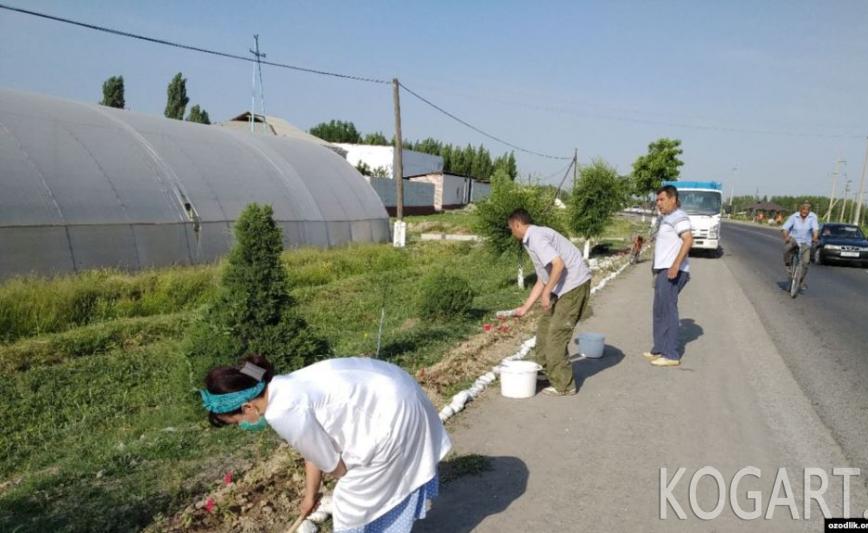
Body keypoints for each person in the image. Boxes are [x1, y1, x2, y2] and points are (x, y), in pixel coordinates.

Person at [199, 354, 451, 532]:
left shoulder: (281, 411)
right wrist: (311, 495)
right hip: (400, 390)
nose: (243, 426)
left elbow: (335, 466)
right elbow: (313, 450)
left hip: (393, 416)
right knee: (378, 489)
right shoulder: (281, 384)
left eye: (237, 421)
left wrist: (324, 484)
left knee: (349, 505)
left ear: (247, 407)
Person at [508, 208, 592, 396]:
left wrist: (547, 293)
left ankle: (564, 385)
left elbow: (558, 264)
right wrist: (525, 308)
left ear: (517, 224)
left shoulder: (536, 236)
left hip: (574, 286)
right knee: (544, 330)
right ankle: (549, 374)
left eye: (510, 228)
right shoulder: (532, 239)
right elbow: (543, 278)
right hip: (561, 287)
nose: (511, 232)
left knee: (556, 334)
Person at [643, 185, 693, 368]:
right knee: (659, 310)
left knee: (668, 310)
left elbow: (688, 240)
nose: (658, 203)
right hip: (662, 269)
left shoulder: (679, 216)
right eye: (657, 200)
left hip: (672, 270)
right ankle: (659, 349)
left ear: (673, 199)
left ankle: (671, 354)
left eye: (662, 199)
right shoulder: (666, 218)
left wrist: (676, 264)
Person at [782, 201, 819, 286]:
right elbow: (785, 228)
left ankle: (800, 280)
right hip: (794, 239)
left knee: (806, 262)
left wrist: (815, 237)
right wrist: (786, 237)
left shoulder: (813, 217)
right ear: (800, 209)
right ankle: (788, 264)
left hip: (806, 242)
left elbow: (815, 230)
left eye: (807, 210)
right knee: (786, 249)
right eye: (803, 209)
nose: (805, 212)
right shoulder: (794, 216)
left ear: (809, 211)